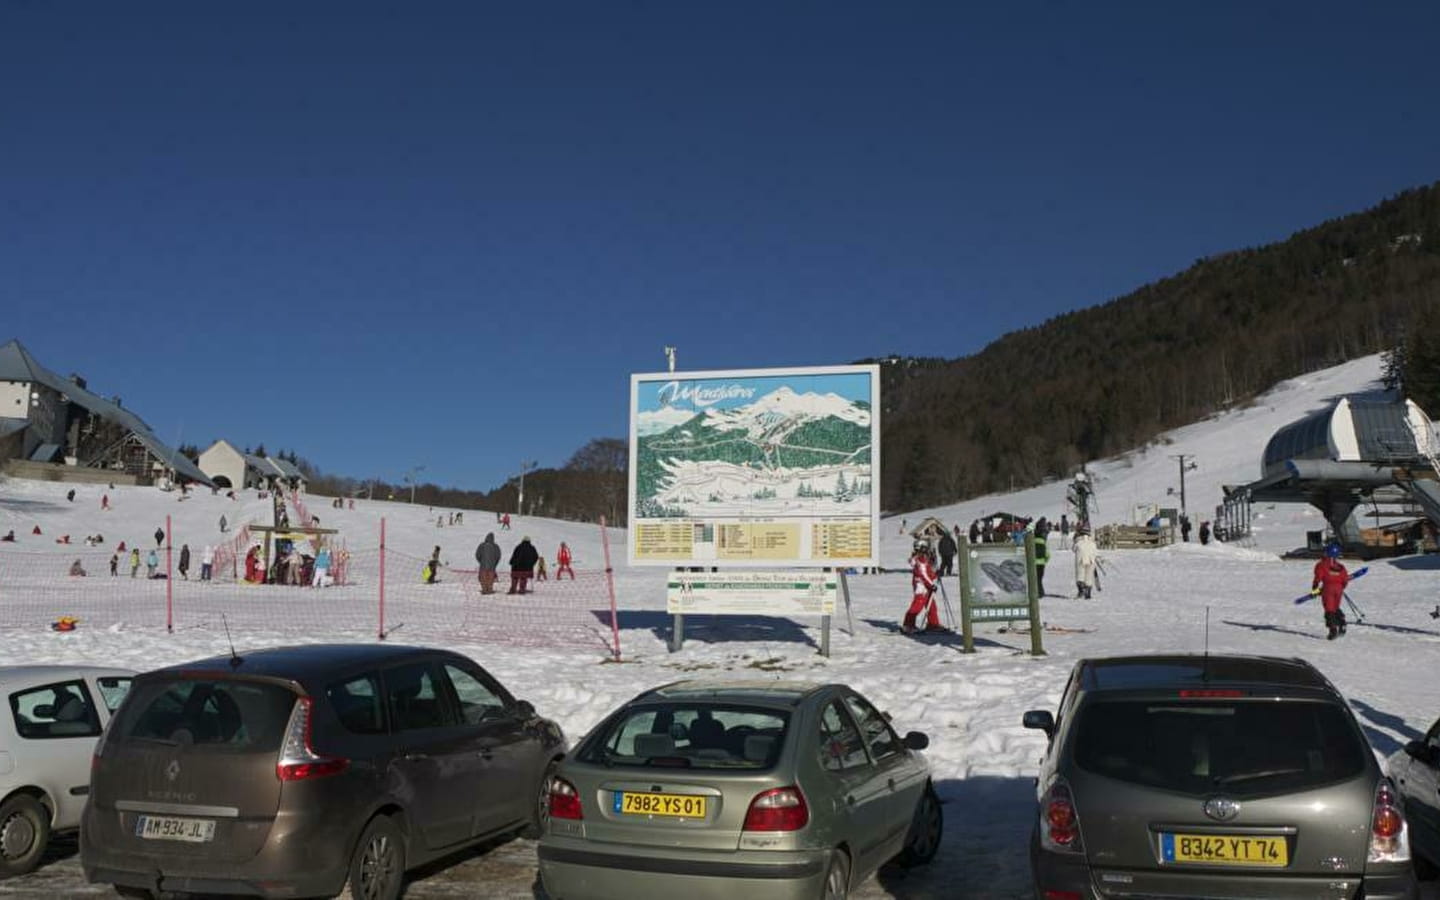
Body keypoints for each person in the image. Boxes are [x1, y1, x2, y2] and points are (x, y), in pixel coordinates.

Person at [1311, 542, 1351, 639]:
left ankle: (1333, 630)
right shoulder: (1341, 567)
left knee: (1329, 609)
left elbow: (1318, 578)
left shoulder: (1321, 564)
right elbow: (1345, 580)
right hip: (1339, 589)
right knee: (1335, 607)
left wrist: (1315, 590)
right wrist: (1341, 587)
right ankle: (1342, 622)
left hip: (1328, 589)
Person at [902, 541, 943, 634]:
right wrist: (931, 585)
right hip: (921, 587)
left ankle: (933, 624)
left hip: (926, 585)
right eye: (925, 548)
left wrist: (935, 575)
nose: (927, 550)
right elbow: (923, 575)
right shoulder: (920, 560)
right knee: (917, 606)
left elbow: (927, 572)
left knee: (931, 605)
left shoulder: (922, 558)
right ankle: (908, 625)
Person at [1073, 527, 1098, 599]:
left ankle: (1081, 591)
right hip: (1091, 560)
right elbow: (1096, 552)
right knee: (1089, 577)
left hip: (1080, 560)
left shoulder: (1078, 542)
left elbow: (1073, 549)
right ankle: (1088, 594)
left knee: (1080, 575)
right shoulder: (1092, 543)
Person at [1034, 529, 1051, 596]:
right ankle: (1040, 592)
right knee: (1040, 578)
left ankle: (1037, 592)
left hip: (1034, 563)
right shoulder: (1043, 542)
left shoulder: (1032, 541)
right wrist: (1045, 560)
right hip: (1041, 563)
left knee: (1035, 579)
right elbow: (1047, 554)